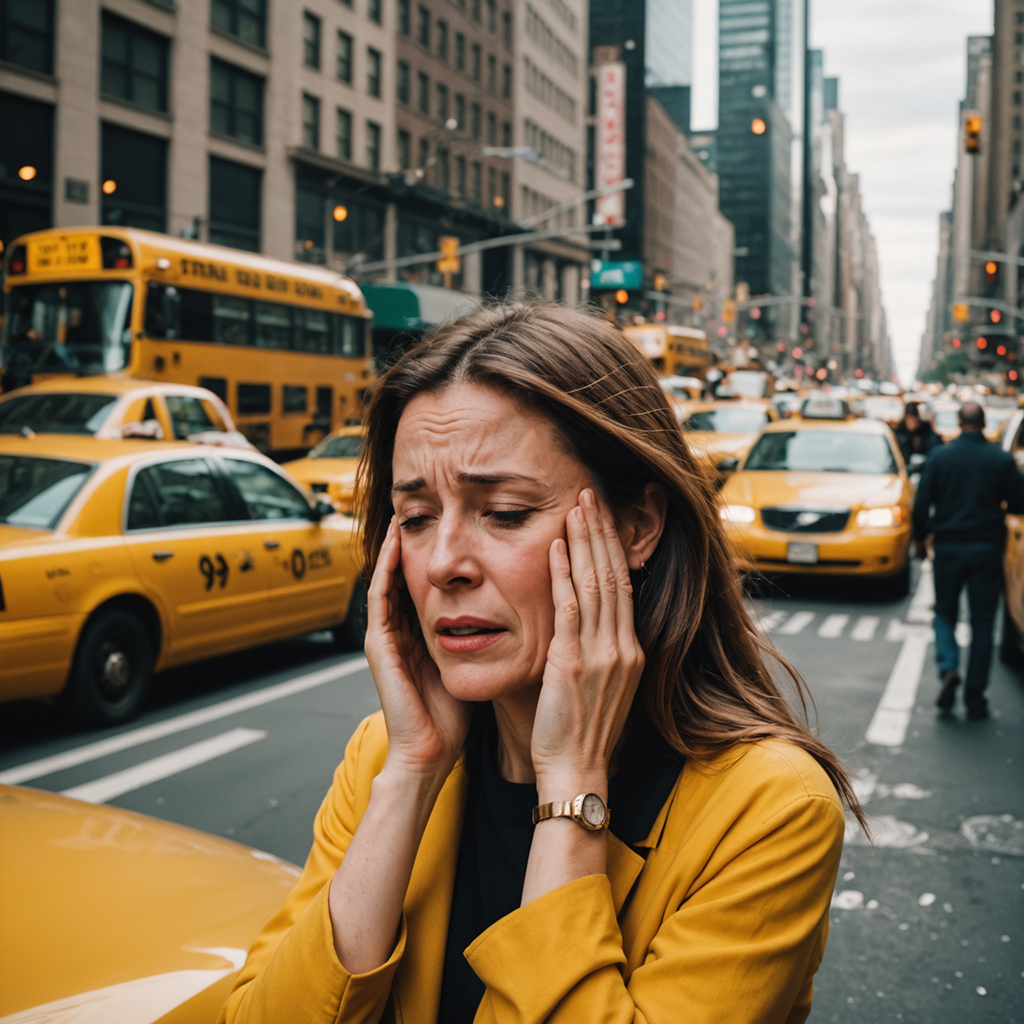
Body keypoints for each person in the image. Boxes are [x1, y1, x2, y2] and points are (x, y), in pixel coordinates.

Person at [220, 304, 864, 1024]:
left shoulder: (768, 810)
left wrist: (571, 792)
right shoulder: (386, 755)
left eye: (503, 512)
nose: (443, 566)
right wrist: (410, 777)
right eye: (416, 518)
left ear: (636, 528)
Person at [912, 401, 1024, 719]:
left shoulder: (940, 457)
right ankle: (975, 697)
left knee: (945, 613)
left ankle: (949, 668)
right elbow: (1018, 502)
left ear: (959, 423)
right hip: (987, 550)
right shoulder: (1000, 460)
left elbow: (922, 505)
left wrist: (920, 538)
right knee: (983, 623)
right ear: (984, 423)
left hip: (948, 548)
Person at [894, 401, 943, 466]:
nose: (911, 424)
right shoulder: (900, 434)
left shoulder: (929, 435)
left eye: (914, 420)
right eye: (908, 420)